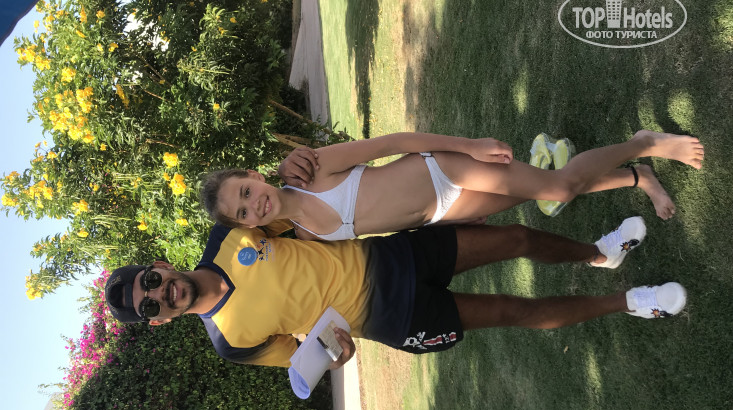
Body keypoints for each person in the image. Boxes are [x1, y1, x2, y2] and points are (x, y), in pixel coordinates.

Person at [104, 218, 687, 368]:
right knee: (514, 311)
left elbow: (301, 217)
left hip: (392, 254)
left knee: (514, 237)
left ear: (158, 265)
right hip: (396, 316)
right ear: (158, 320)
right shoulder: (230, 342)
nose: (162, 293)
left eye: (150, 281)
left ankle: (600, 252)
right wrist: (337, 352)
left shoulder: (227, 235)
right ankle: (632, 302)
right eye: (151, 305)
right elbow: (313, 357)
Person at [200, 130, 703, 241]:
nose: (253, 205)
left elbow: (392, 143)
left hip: (444, 171)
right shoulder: (308, 236)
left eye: (245, 192)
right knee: (541, 191)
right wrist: (449, 221)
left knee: (560, 189)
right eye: (242, 213)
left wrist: (468, 147)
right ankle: (639, 177)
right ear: (246, 226)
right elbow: (385, 223)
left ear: (253, 176)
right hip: (445, 210)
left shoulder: (311, 170)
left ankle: (643, 143)